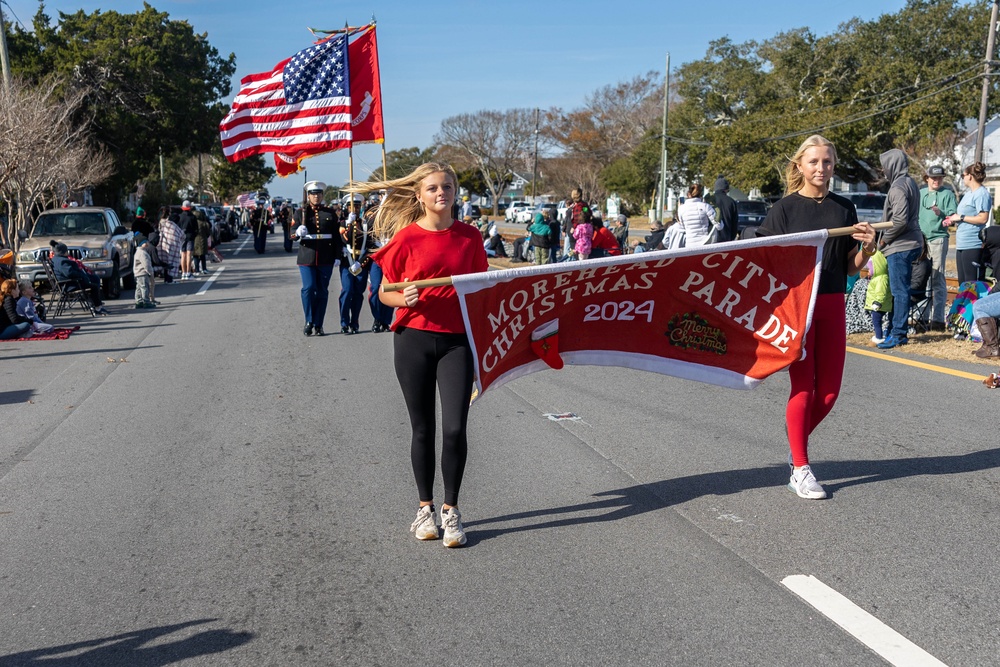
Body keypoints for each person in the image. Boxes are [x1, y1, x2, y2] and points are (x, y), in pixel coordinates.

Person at [349, 162, 488, 548]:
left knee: (456, 428)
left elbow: (481, 288)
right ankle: (425, 508)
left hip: (457, 342)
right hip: (412, 339)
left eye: (447, 186)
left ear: (456, 191)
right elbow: (383, 294)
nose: (441, 193)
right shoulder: (405, 239)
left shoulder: (471, 237)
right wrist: (401, 296)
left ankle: (451, 511)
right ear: (419, 195)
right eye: (432, 188)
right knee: (422, 427)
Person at [755, 134, 876, 500]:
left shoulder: (844, 209)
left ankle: (795, 451)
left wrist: (868, 248)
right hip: (796, 310)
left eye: (827, 162)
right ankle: (801, 466)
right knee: (804, 388)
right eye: (814, 162)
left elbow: (849, 267)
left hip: (832, 303)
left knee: (829, 393)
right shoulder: (784, 210)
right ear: (800, 166)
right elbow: (765, 263)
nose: (821, 168)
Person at [875, 149, 924, 350]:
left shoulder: (897, 188)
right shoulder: (910, 182)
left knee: (899, 291)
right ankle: (895, 329)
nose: (883, 170)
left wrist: (884, 241)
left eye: (885, 165)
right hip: (913, 242)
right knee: (900, 290)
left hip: (900, 246)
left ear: (892, 165)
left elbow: (900, 220)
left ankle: (898, 333)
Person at [293, 181, 342, 336]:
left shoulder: (329, 213)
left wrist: (338, 256)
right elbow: (292, 233)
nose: (316, 197)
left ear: (322, 195)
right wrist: (297, 233)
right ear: (308, 196)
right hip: (307, 256)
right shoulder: (301, 212)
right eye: (313, 194)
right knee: (308, 288)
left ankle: (319, 324)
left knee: (322, 291)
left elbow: (336, 236)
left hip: (325, 257)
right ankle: (309, 321)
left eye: (318, 194)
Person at [918, 165, 957, 331]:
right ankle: (922, 318)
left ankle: (938, 320)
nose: (937, 180)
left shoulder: (947, 194)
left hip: (938, 239)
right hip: (921, 240)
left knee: (937, 278)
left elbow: (953, 216)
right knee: (921, 277)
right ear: (927, 177)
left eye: (940, 177)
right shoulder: (920, 193)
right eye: (933, 177)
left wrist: (942, 214)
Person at [946, 161, 992, 284]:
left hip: (973, 244)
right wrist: (951, 219)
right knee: (963, 284)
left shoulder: (981, 194)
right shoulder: (968, 194)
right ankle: (965, 304)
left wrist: (961, 217)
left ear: (970, 176)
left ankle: (975, 304)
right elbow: (962, 216)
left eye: (963, 176)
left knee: (972, 284)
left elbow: (983, 218)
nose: (963, 178)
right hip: (962, 244)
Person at [339, 199, 379, 334]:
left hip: (361, 263)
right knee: (347, 290)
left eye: (357, 206)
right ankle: (344, 322)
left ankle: (354, 323)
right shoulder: (343, 223)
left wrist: (361, 262)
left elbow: (371, 247)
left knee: (357, 294)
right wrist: (349, 223)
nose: (354, 209)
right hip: (347, 262)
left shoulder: (366, 225)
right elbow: (344, 239)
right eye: (351, 207)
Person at [50, 240, 108, 315]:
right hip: (70, 284)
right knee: (94, 286)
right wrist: (81, 274)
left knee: (95, 278)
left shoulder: (57, 259)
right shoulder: (62, 261)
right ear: (64, 252)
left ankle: (95, 303)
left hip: (70, 282)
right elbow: (69, 273)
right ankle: (97, 307)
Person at [864, 249, 891, 344]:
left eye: (870, 268)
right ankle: (880, 335)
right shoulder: (877, 278)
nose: (868, 270)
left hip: (879, 305)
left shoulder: (881, 278)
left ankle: (879, 337)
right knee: (877, 320)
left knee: (876, 320)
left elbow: (881, 292)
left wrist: (878, 302)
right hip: (879, 304)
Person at [156, 206, 181, 283]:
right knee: (170, 260)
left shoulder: (160, 221)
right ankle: (169, 279)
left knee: (165, 261)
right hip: (169, 242)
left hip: (163, 242)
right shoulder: (168, 222)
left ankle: (166, 279)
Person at [713, 176, 739, 243]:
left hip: (712, 237)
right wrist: (731, 237)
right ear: (726, 189)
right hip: (726, 237)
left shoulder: (709, 201)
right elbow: (734, 223)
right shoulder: (731, 202)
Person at [177, 200, 198, 280]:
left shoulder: (180, 217)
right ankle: (189, 273)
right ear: (189, 208)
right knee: (189, 255)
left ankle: (183, 273)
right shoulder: (192, 217)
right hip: (190, 237)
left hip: (181, 237)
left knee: (183, 255)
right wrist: (193, 235)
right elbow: (196, 229)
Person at [133, 238, 155, 309]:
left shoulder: (138, 252)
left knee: (139, 287)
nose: (147, 244)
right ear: (141, 244)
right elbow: (146, 264)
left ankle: (139, 301)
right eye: (145, 243)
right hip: (142, 272)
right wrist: (149, 271)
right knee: (145, 287)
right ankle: (146, 301)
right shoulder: (142, 253)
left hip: (138, 273)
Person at [193, 210, 212, 276]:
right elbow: (208, 233)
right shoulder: (204, 223)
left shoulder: (193, 223)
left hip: (194, 240)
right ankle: (204, 269)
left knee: (195, 256)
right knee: (202, 256)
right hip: (202, 240)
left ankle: (197, 269)